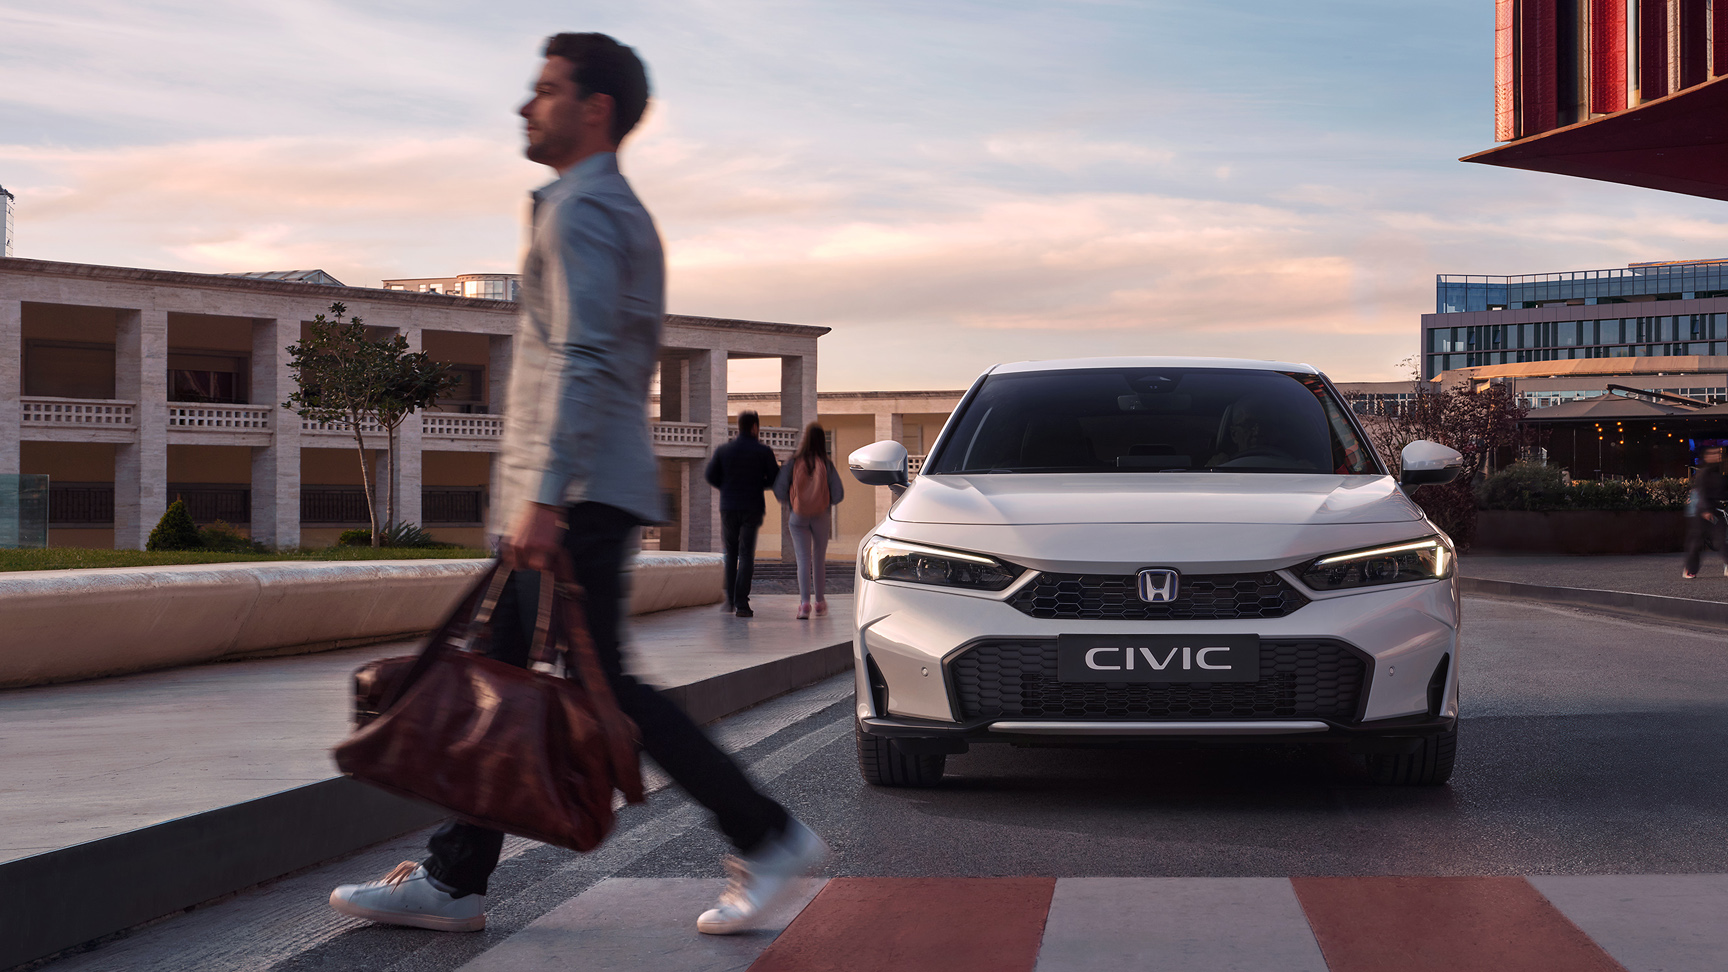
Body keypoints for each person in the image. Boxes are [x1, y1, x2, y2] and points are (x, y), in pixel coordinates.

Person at [328, 33, 825, 936]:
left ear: (594, 109)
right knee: (502, 678)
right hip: (574, 489)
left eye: (546, 90)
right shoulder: (597, 207)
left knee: (606, 691)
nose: (527, 105)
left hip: (577, 495)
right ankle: (455, 880)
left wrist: (547, 496)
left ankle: (768, 833)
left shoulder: (585, 213)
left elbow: (592, 359)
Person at [704, 409, 780, 617]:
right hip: (752, 507)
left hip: (728, 507)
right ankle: (742, 604)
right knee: (746, 555)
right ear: (755, 427)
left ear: (739, 427)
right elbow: (775, 479)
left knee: (731, 553)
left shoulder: (724, 450)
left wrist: (727, 487)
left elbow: (710, 475)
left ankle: (729, 599)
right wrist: (758, 484)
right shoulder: (763, 451)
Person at [773, 423, 844, 618]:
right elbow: (839, 494)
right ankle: (819, 602)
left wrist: (793, 502)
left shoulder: (793, 462)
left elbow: (779, 490)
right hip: (821, 516)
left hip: (798, 517)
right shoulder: (826, 464)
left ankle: (804, 604)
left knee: (803, 560)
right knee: (819, 559)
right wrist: (824, 503)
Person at [1684, 444, 1727, 579]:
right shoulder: (1703, 474)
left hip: (1716, 512)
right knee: (1696, 542)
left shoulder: (1722, 472)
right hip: (1702, 514)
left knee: (1722, 538)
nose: (1716, 456)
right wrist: (1706, 510)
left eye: (1717, 453)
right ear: (1706, 457)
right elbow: (1701, 493)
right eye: (1712, 453)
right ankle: (1690, 569)